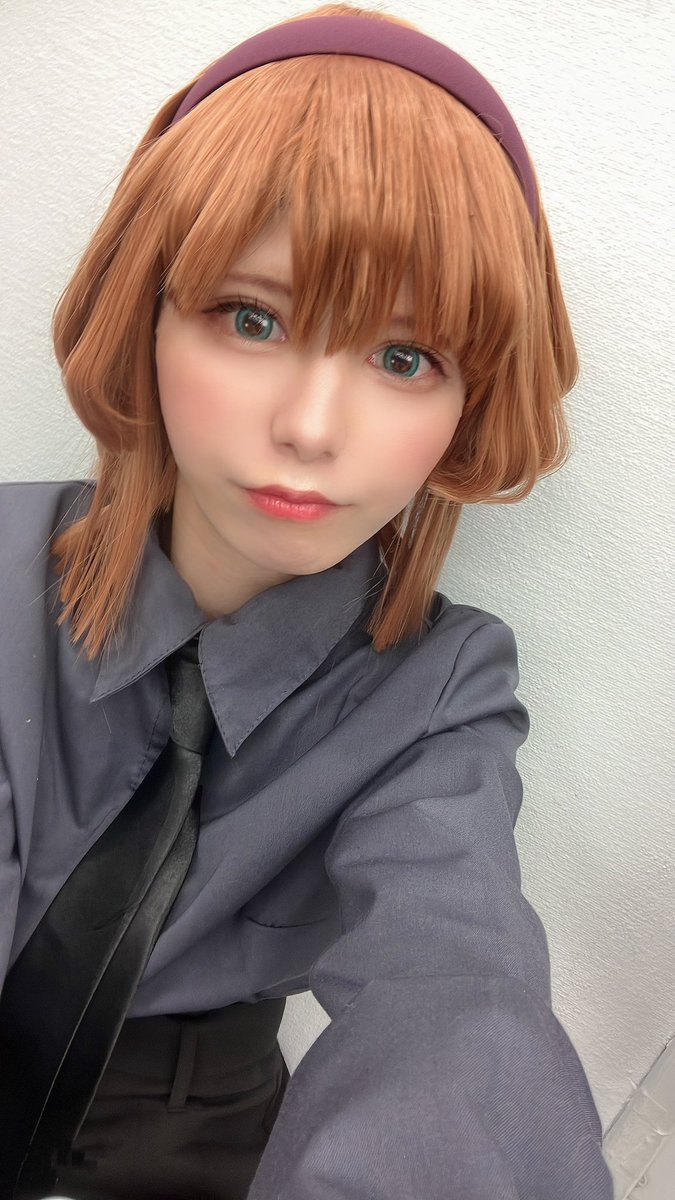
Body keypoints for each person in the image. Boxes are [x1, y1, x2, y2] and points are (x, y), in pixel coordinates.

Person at [0, 4, 615, 1198]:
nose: (311, 427)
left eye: (404, 358)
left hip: (209, 1134)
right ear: (147, 313)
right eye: (252, 319)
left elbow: (457, 992)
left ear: (468, 404)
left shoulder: (439, 692)